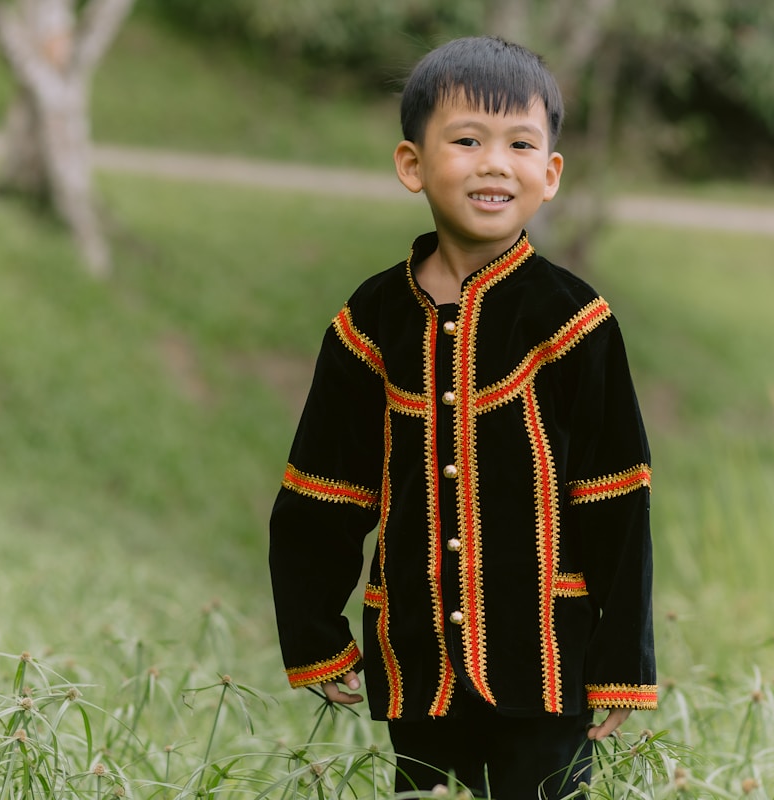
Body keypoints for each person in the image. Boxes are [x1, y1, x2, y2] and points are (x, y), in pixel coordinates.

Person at [269, 35, 656, 799]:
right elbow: (324, 487)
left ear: (548, 176)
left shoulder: (574, 319)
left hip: (546, 662)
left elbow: (617, 496)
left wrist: (620, 663)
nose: (493, 163)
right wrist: (316, 632)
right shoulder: (369, 321)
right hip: (417, 659)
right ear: (413, 165)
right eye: (467, 140)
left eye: (519, 143)